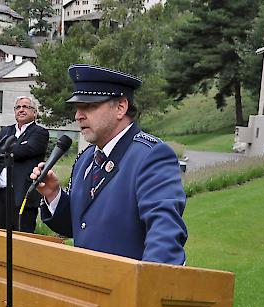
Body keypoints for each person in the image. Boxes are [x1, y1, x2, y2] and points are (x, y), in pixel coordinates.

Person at [30, 64, 187, 265]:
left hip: (126, 291)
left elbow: (165, 235)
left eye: (89, 105)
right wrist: (54, 195)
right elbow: (82, 226)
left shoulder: (151, 156)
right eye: (77, 107)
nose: (78, 115)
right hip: (87, 288)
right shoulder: (86, 159)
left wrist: (146, 288)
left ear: (121, 107)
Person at [0, 96, 49, 233]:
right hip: (2, 194)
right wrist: (12, 150)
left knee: (22, 239)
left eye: (26, 107)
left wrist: (3, 150)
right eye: (18, 107)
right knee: (2, 237)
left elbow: (25, 151)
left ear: (34, 112)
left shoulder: (40, 133)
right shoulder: (6, 131)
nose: (21, 110)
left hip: (23, 193)